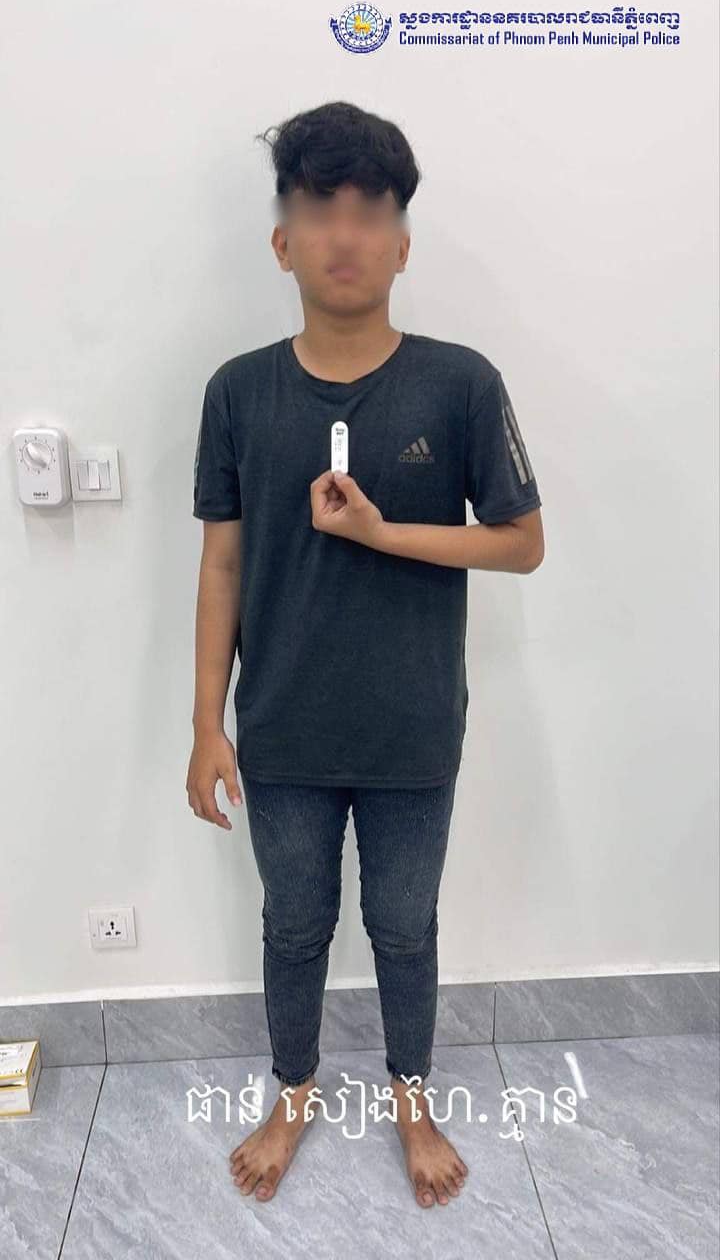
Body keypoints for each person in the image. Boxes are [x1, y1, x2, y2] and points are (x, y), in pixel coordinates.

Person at [186, 100, 544, 1208]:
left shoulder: (461, 382)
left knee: (403, 924)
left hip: (412, 726)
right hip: (282, 727)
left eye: (370, 210)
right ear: (282, 241)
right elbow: (221, 566)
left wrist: (384, 533)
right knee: (294, 924)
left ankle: (411, 1097)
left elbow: (522, 542)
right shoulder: (238, 391)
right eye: (319, 209)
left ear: (402, 242)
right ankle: (294, 1091)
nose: (345, 233)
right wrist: (205, 723)